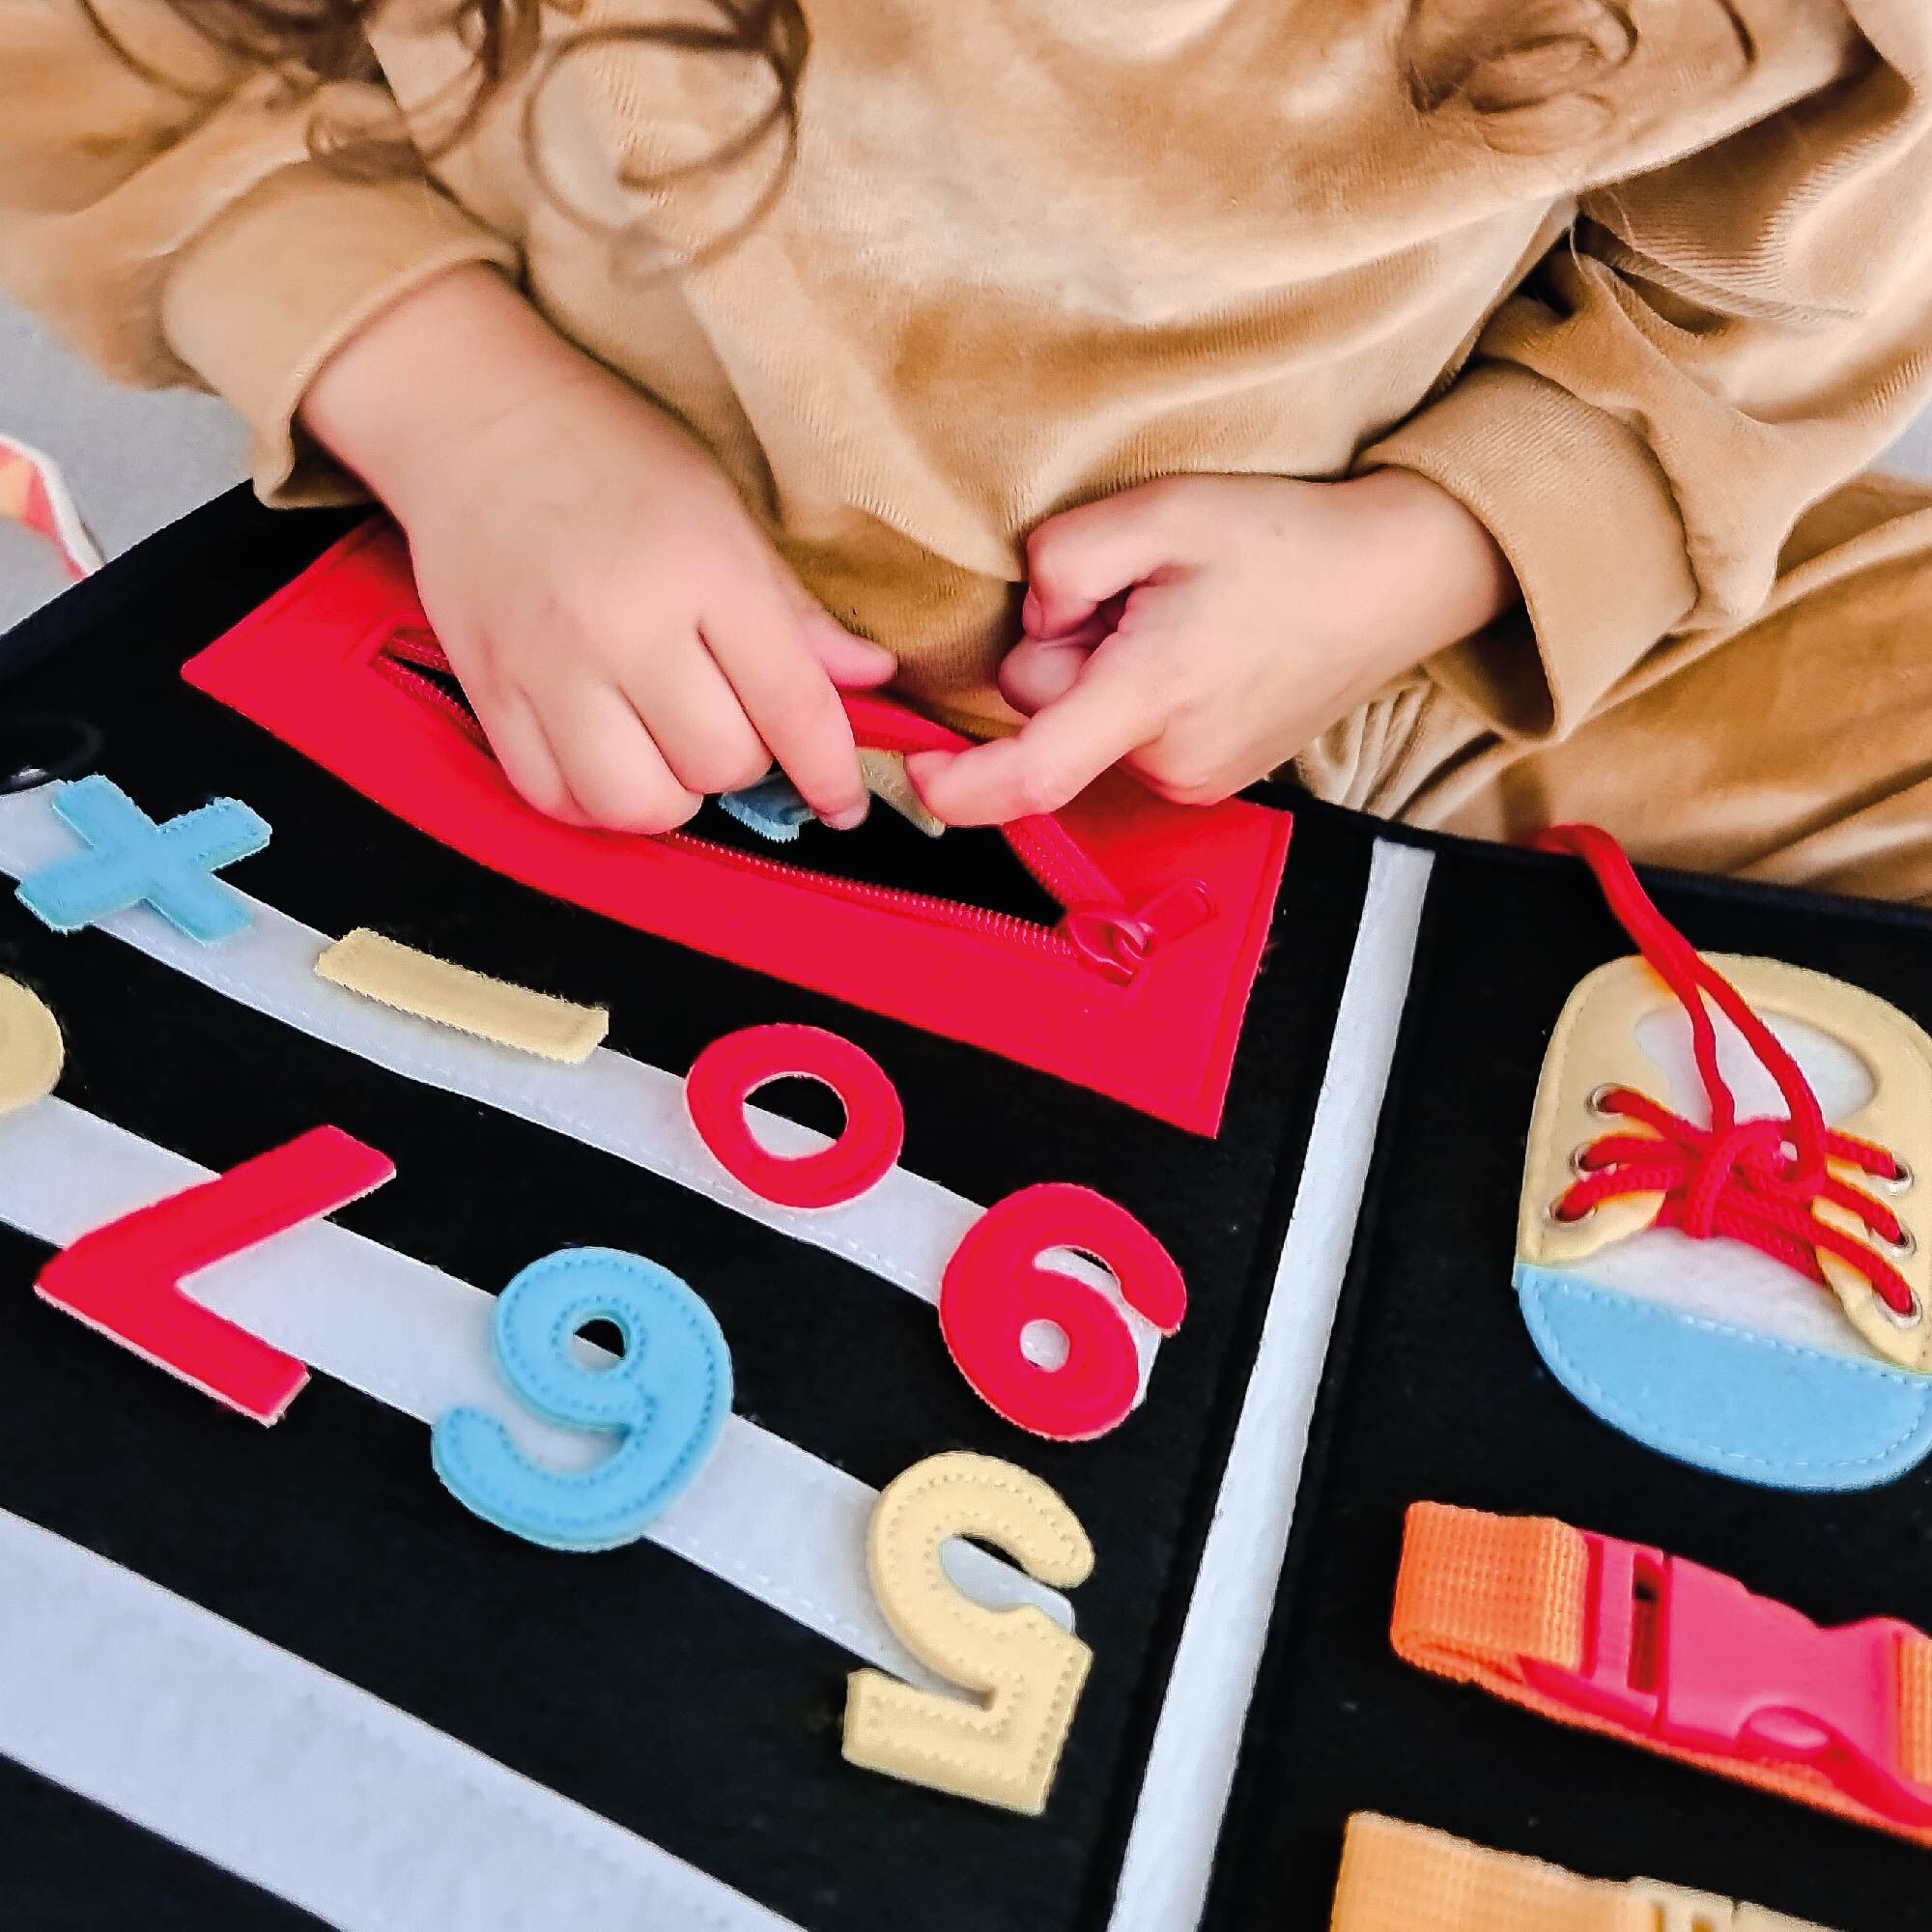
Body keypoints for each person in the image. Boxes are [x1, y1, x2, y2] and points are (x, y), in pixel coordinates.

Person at [4, 1, 1931, 897]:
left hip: (1398, 651)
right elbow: (112, 65)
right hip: (553, 608)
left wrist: (1439, 544)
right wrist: (467, 409)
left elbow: (1777, 289)